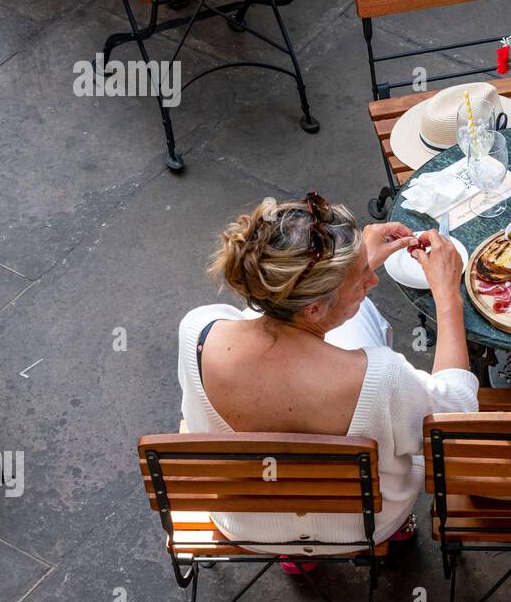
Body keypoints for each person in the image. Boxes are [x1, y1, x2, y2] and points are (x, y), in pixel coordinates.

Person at [177, 192, 477, 565]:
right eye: (360, 280)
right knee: (367, 330)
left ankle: (296, 558)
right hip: (362, 525)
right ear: (315, 309)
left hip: (246, 520)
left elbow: (260, 322)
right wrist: (448, 297)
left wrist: (345, 261)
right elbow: (457, 415)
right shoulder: (382, 376)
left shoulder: (197, 332)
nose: (372, 280)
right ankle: (397, 530)